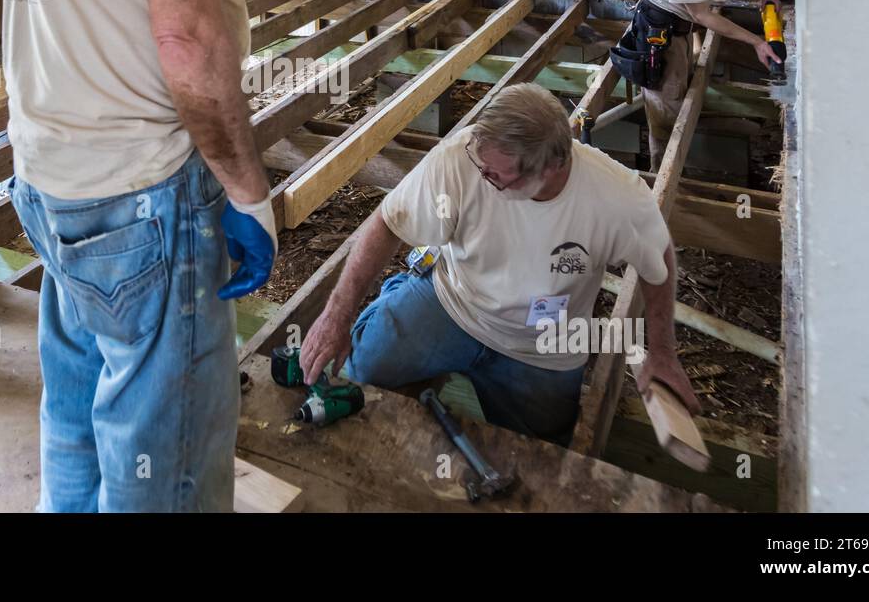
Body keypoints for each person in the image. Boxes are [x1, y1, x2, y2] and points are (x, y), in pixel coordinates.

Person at [1, 0, 296, 512]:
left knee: (78, 406)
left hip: (49, 173)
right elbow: (190, 41)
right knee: (164, 449)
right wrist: (248, 191)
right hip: (141, 194)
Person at [298, 84, 700, 447]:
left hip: (541, 346)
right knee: (363, 368)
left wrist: (662, 351)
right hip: (453, 302)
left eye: (497, 176)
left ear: (550, 168)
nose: (483, 174)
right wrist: (337, 316)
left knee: (544, 453)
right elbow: (387, 222)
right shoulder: (462, 158)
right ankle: (400, 297)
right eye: (480, 162)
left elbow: (658, 257)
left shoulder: (615, 196)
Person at [634, 0, 781, 165]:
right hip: (662, 26)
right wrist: (756, 41)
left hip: (687, 20)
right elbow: (703, 16)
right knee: (667, 109)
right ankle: (662, 175)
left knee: (687, 81)